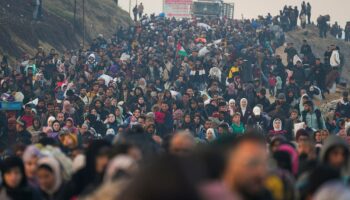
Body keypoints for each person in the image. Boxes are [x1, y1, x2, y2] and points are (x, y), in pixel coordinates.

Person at [223, 134, 272, 200]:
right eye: (252, 163)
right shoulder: (219, 195)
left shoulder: (266, 194)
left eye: (263, 164)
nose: (260, 171)